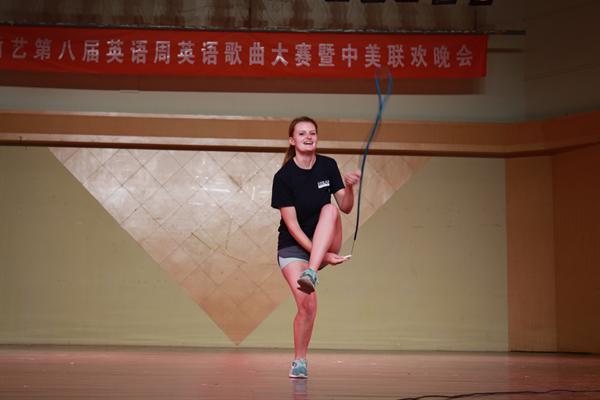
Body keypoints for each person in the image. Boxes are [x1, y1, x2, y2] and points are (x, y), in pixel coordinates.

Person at [271, 116, 360, 379]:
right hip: (294, 248)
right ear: (292, 140)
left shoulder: (328, 165)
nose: (308, 137)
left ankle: (311, 272)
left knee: (330, 209)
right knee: (308, 306)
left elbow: (345, 207)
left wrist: (350, 187)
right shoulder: (283, 177)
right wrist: (319, 256)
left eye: (312, 133)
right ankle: (299, 361)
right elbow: (292, 226)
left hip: (326, 241)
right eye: (302, 133)